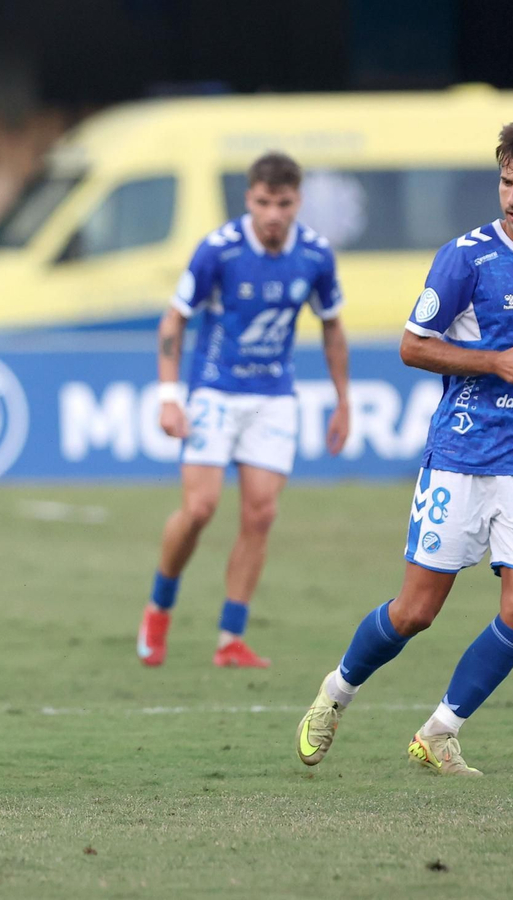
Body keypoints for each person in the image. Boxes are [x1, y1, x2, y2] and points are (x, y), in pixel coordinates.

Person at [295, 120, 513, 776]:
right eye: (506, 181)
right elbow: (412, 344)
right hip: (462, 456)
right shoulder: (466, 257)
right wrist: (491, 362)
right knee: (415, 611)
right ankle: (335, 694)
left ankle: (440, 732)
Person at [137, 152, 350, 669]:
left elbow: (331, 325)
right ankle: (159, 608)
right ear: (249, 199)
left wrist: (344, 400)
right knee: (200, 509)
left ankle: (230, 638)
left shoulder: (316, 255)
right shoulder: (219, 251)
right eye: (262, 202)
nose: (273, 213)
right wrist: (170, 398)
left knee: (261, 514)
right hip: (215, 392)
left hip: (274, 397)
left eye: (283, 203)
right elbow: (173, 321)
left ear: (297, 201)